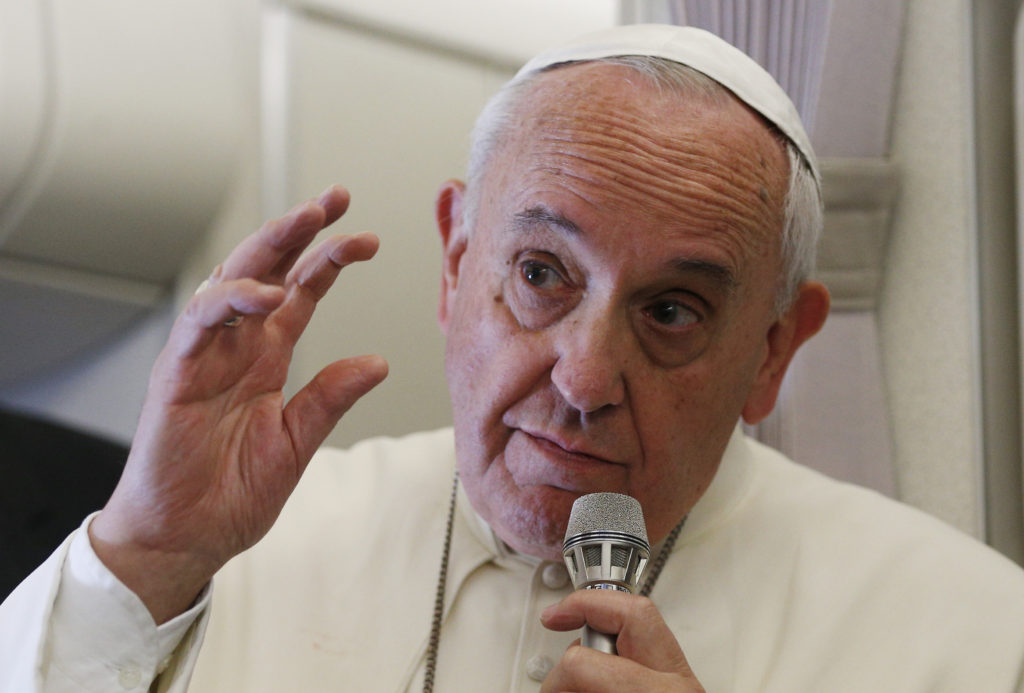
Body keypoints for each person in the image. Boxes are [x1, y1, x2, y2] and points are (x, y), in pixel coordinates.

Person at [3, 23, 1024, 693]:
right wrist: (143, 558)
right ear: (455, 261)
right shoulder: (236, 549)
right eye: (541, 274)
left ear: (772, 351)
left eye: (671, 310)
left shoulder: (972, 637)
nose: (582, 382)